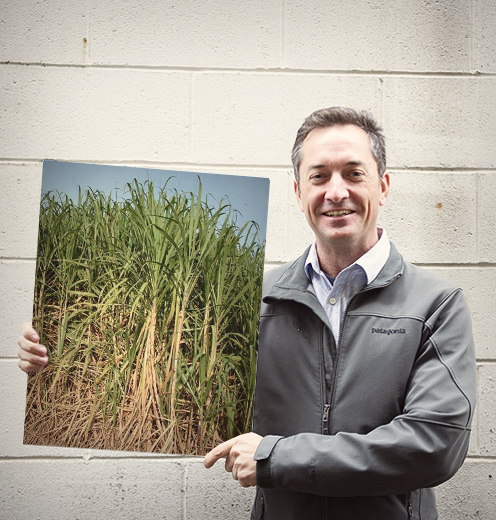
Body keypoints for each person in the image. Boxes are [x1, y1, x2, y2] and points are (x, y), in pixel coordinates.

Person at [18, 107, 477, 519]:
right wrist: (57, 357)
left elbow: (433, 447)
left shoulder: (435, 303)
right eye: (319, 177)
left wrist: (276, 458)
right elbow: (169, 382)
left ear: (384, 185)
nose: (337, 192)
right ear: (298, 192)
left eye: (353, 174)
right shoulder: (256, 298)